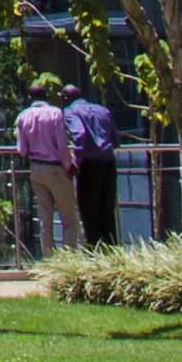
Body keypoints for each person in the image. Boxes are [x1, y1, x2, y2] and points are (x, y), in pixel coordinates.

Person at [12, 82, 77, 261]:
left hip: (36, 168)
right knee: (69, 218)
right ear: (46, 96)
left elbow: (21, 150)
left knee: (45, 219)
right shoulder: (55, 113)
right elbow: (62, 145)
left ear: (29, 98)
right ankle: (70, 261)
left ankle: (49, 260)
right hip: (55, 167)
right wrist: (68, 167)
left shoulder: (22, 116)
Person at [68, 85, 122, 250]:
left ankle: (95, 253)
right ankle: (112, 253)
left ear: (65, 99)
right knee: (107, 210)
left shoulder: (71, 112)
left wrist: (76, 161)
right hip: (108, 164)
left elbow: (80, 134)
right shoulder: (102, 110)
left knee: (89, 212)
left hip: (89, 165)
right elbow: (116, 140)